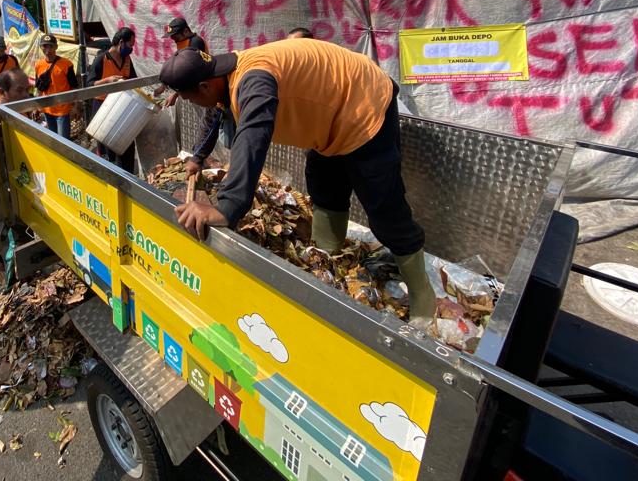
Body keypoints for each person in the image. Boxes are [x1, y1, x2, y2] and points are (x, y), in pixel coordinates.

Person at [158, 39, 437, 327]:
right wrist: (198, 156)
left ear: (204, 86)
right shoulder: (221, 75)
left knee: (382, 204)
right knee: (323, 183)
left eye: (189, 98)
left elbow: (253, 137)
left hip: (364, 104)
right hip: (331, 113)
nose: (194, 104)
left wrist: (227, 207)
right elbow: (216, 110)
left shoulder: (254, 82)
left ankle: (423, 299)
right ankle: (328, 259)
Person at [87, 28, 138, 172]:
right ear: (121, 42)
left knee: (125, 145)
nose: (131, 49)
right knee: (107, 150)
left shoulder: (127, 60)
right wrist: (108, 80)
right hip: (103, 107)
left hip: (122, 107)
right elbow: (89, 85)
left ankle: (127, 178)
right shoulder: (101, 59)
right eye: (130, 45)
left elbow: (133, 81)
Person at [35, 33, 79, 139]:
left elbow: (74, 87)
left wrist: (76, 106)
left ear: (56, 47)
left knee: (63, 141)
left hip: (62, 110)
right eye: (45, 46)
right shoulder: (38, 65)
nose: (48, 49)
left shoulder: (66, 64)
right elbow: (39, 87)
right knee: (53, 139)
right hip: (47, 109)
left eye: (51, 46)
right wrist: (36, 106)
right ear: (41, 48)